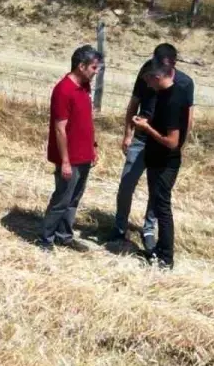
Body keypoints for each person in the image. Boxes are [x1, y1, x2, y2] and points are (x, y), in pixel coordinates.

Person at [111, 43, 194, 248]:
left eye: (166, 65)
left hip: (163, 142)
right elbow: (133, 104)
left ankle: (149, 228)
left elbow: (188, 118)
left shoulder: (184, 83)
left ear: (173, 63)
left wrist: (179, 145)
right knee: (127, 183)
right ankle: (119, 227)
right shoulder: (146, 72)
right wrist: (128, 134)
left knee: (156, 189)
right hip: (141, 138)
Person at [130, 62, 193, 269]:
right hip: (157, 159)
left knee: (162, 209)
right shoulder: (167, 94)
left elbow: (172, 141)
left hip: (166, 163)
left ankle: (166, 257)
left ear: (156, 77)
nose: (145, 84)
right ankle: (159, 249)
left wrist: (146, 128)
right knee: (158, 204)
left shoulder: (172, 100)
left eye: (147, 79)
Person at [39, 45, 102, 251]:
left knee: (74, 198)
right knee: (62, 199)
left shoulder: (85, 87)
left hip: (84, 154)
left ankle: (64, 235)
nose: (96, 71)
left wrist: (93, 146)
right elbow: (60, 129)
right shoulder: (63, 90)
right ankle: (46, 238)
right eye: (94, 67)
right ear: (81, 66)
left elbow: (86, 120)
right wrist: (65, 161)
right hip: (70, 157)